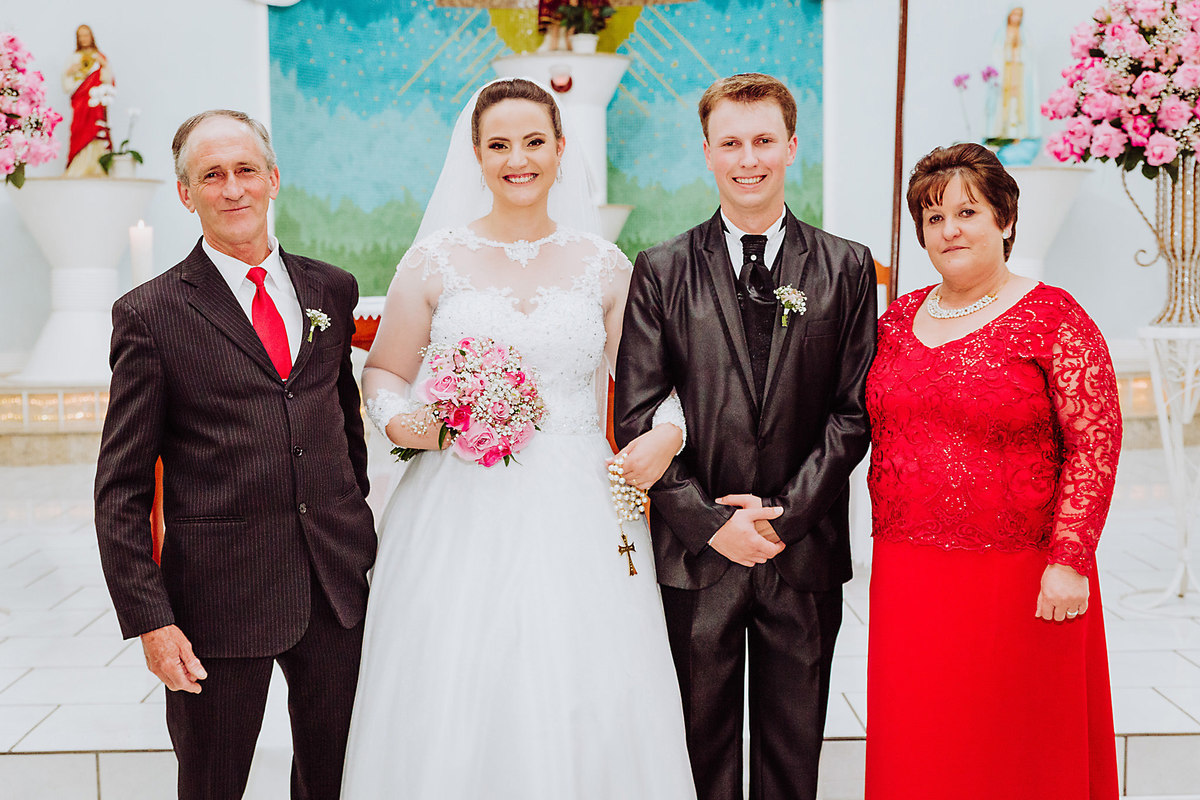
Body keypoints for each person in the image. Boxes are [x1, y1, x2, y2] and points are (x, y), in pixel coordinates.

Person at [341, 77, 696, 799]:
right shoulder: (435, 260)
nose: (518, 159)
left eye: (534, 142)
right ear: (476, 154)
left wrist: (671, 432)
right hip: (457, 496)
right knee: (459, 668)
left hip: (583, 501)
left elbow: (652, 382)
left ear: (561, 149)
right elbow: (382, 373)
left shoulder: (605, 265)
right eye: (499, 144)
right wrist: (408, 422)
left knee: (580, 669)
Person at [94, 110, 376, 800]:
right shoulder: (150, 314)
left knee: (335, 781)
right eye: (211, 175)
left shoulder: (330, 291)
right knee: (213, 786)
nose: (233, 188)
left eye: (246, 170)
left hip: (337, 588)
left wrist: (355, 527)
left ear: (273, 179)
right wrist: (152, 621)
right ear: (186, 193)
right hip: (216, 603)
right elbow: (120, 491)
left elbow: (344, 426)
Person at [614, 73, 877, 800]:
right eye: (731, 142)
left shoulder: (846, 266)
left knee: (794, 759)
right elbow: (635, 420)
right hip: (698, 558)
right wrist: (709, 523)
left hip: (804, 546)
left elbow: (853, 412)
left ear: (792, 146)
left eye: (764, 140)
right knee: (703, 757)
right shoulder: (662, 270)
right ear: (706, 153)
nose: (748, 158)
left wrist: (783, 515)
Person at [864, 142, 1121, 800]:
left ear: (1005, 219)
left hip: (1022, 578)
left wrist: (1071, 556)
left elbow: (1095, 440)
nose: (949, 229)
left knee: (1018, 749)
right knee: (926, 745)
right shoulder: (895, 320)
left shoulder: (1054, 317)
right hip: (911, 575)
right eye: (932, 216)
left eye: (967, 212)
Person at [62, 24, 113, 176]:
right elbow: (67, 84)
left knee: (95, 131)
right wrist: (71, 71)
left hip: (95, 104)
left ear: (91, 36)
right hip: (80, 102)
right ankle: (78, 167)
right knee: (79, 131)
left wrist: (103, 66)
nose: (84, 39)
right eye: (81, 36)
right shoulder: (74, 57)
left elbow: (108, 81)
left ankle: (97, 167)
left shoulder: (99, 56)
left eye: (86, 35)